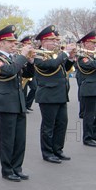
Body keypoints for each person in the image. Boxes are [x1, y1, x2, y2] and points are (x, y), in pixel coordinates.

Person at [0, 25, 33, 180]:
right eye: (10, 42)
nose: (14, 44)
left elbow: (27, 74)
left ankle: (17, 167)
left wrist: (30, 61)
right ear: (1, 43)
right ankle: (7, 169)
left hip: (19, 102)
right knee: (8, 140)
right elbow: (9, 71)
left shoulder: (14, 58)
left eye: (14, 42)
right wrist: (22, 56)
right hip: (6, 103)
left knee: (20, 139)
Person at [33, 25, 75, 164]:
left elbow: (64, 69)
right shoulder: (37, 54)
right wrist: (65, 54)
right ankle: (47, 152)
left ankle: (58, 149)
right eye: (52, 40)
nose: (56, 42)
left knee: (62, 123)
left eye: (56, 40)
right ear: (44, 41)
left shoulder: (57, 53)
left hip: (60, 93)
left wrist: (70, 59)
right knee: (48, 126)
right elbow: (50, 65)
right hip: (48, 94)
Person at [20, 36, 37, 112]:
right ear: (23, 44)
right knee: (23, 91)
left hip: (29, 72)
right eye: (27, 43)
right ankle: (23, 107)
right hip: (23, 73)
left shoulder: (31, 51)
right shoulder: (20, 51)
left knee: (35, 88)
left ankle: (28, 104)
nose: (29, 45)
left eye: (30, 43)